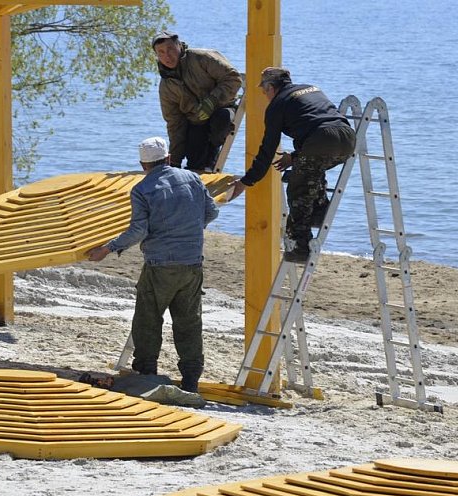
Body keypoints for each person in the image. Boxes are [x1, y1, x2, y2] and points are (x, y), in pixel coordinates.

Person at [86, 136, 220, 394]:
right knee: (189, 321)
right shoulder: (192, 178)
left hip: (159, 265)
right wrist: (190, 228)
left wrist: (107, 248)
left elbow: (138, 230)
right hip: (192, 262)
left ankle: (147, 371)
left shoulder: (142, 189)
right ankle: (191, 378)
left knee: (148, 319)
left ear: (142, 164)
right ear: (168, 158)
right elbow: (212, 212)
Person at [229, 67, 356, 263]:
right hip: (348, 139)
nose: (265, 95)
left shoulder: (277, 106)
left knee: (298, 187)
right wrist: (295, 157)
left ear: (271, 87)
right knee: (310, 168)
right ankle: (319, 212)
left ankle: (300, 246)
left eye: (264, 91)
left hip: (321, 139)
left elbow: (266, 151)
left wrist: (246, 182)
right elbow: (318, 121)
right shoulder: (311, 89)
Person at [152, 30, 242, 173]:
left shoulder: (201, 58)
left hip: (223, 108)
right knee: (193, 161)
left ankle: (212, 156)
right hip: (196, 121)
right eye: (161, 52)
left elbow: (233, 78)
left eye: (170, 49)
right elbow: (175, 123)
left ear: (179, 46)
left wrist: (212, 100)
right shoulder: (166, 86)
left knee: (222, 120)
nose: (167, 56)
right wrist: (174, 161)